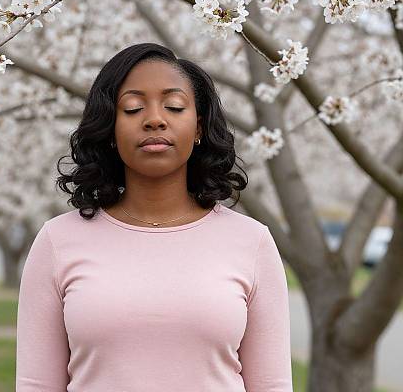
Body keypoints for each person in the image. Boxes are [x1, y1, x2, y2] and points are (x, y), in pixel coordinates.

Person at [16, 43, 293, 391]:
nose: (154, 119)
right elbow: (36, 385)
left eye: (174, 106)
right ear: (110, 130)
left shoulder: (252, 242)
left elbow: (271, 385)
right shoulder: (57, 241)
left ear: (198, 128)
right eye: (132, 108)